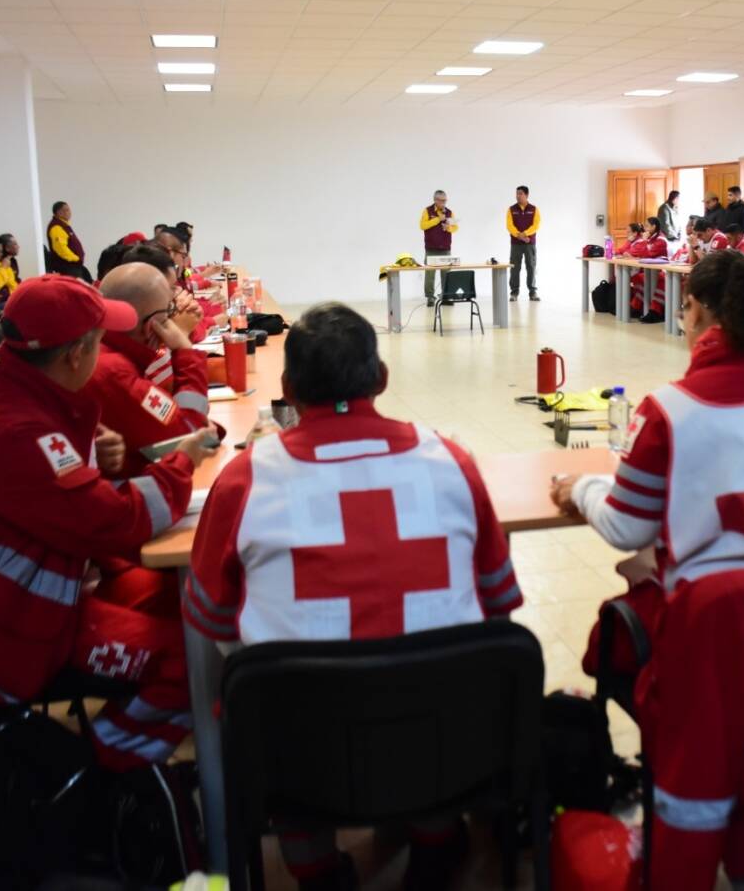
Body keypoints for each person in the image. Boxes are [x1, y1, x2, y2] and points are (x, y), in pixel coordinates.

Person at [188, 303, 520, 890]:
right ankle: (436, 843)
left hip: (300, 754)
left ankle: (315, 868)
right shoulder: (452, 460)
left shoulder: (244, 479)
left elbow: (210, 617)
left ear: (287, 388)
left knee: (266, 694)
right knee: (439, 677)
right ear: (382, 378)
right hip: (446, 739)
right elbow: (497, 600)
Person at [0, 274, 220, 771]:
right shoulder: (21, 432)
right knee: (192, 660)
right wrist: (182, 461)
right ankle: (99, 771)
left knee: (187, 605)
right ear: (75, 355)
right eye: (99, 342)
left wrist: (85, 451)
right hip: (8, 627)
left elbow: (44, 486)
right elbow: (122, 521)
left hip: (20, 590)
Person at [549, 250, 744, 671]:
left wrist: (585, 487)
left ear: (697, 310)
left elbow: (626, 528)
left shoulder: (667, 411)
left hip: (718, 629)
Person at [88, 262, 214, 478]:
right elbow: (188, 438)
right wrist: (185, 350)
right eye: (169, 312)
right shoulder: (116, 372)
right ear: (152, 326)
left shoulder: (107, 353)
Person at [421, 189, 457, 307]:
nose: (443, 203)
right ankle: (430, 297)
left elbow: (455, 227)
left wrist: (448, 228)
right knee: (430, 274)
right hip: (431, 248)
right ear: (435, 200)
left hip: (445, 248)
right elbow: (423, 225)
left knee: (446, 273)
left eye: (445, 201)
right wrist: (437, 219)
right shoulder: (427, 211)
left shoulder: (450, 212)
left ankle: (446, 296)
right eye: (441, 201)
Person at [507, 184, 540, 302]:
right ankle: (514, 292)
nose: (518, 196)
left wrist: (525, 234)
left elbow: (535, 225)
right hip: (516, 244)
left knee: (531, 266)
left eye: (520, 194)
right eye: (517, 193)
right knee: (515, 268)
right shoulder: (511, 209)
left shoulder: (534, 209)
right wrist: (519, 236)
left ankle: (532, 292)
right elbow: (509, 226)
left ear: (526, 195)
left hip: (530, 243)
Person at [46, 200, 89, 282]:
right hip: (67, 267)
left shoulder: (64, 225)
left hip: (73, 266)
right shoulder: (56, 227)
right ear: (59, 212)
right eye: (67, 210)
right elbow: (60, 248)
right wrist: (75, 259)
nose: (69, 212)